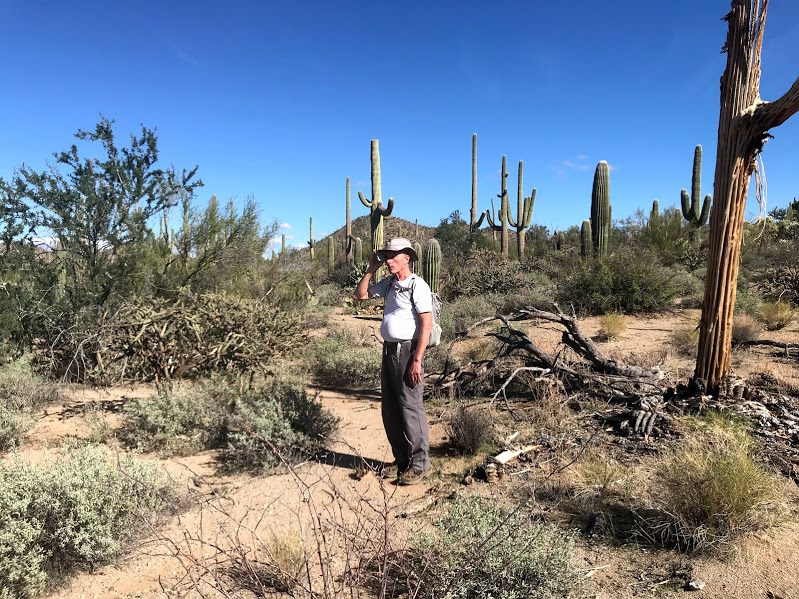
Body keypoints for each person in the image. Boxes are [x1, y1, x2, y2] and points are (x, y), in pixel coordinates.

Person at [353, 237, 433, 485]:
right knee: (390, 408)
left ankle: (420, 465)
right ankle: (402, 460)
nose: (389, 260)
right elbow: (360, 295)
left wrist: (417, 360)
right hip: (389, 351)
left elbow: (426, 324)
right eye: (386, 256)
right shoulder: (388, 283)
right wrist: (371, 268)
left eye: (393, 256)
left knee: (410, 407)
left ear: (407, 257)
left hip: (407, 351)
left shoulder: (417, 285)